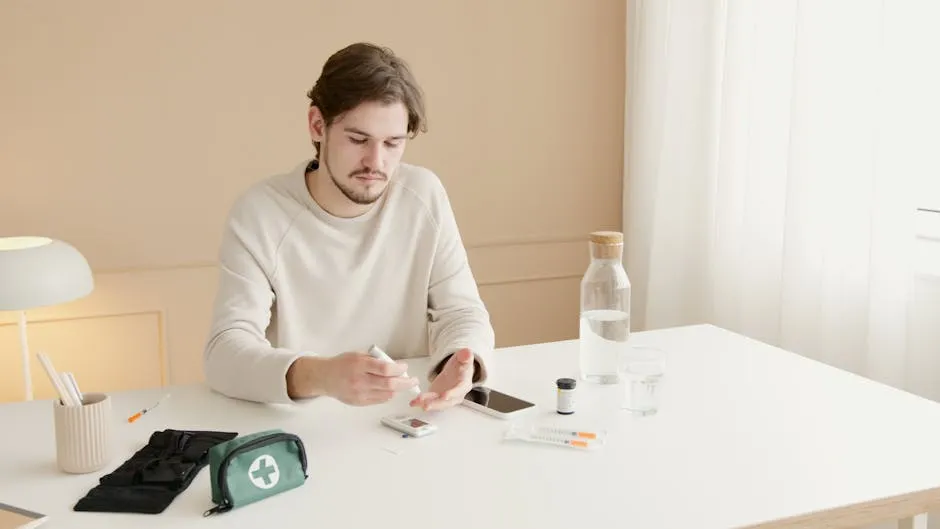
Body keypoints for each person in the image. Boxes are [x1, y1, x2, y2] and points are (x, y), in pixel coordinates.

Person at [202, 42, 495, 411]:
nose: (376, 162)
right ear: (317, 125)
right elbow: (224, 351)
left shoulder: (423, 195)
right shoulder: (261, 213)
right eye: (358, 139)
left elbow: (462, 312)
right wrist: (322, 376)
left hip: (406, 416)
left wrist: (461, 361)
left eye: (393, 143)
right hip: (303, 428)